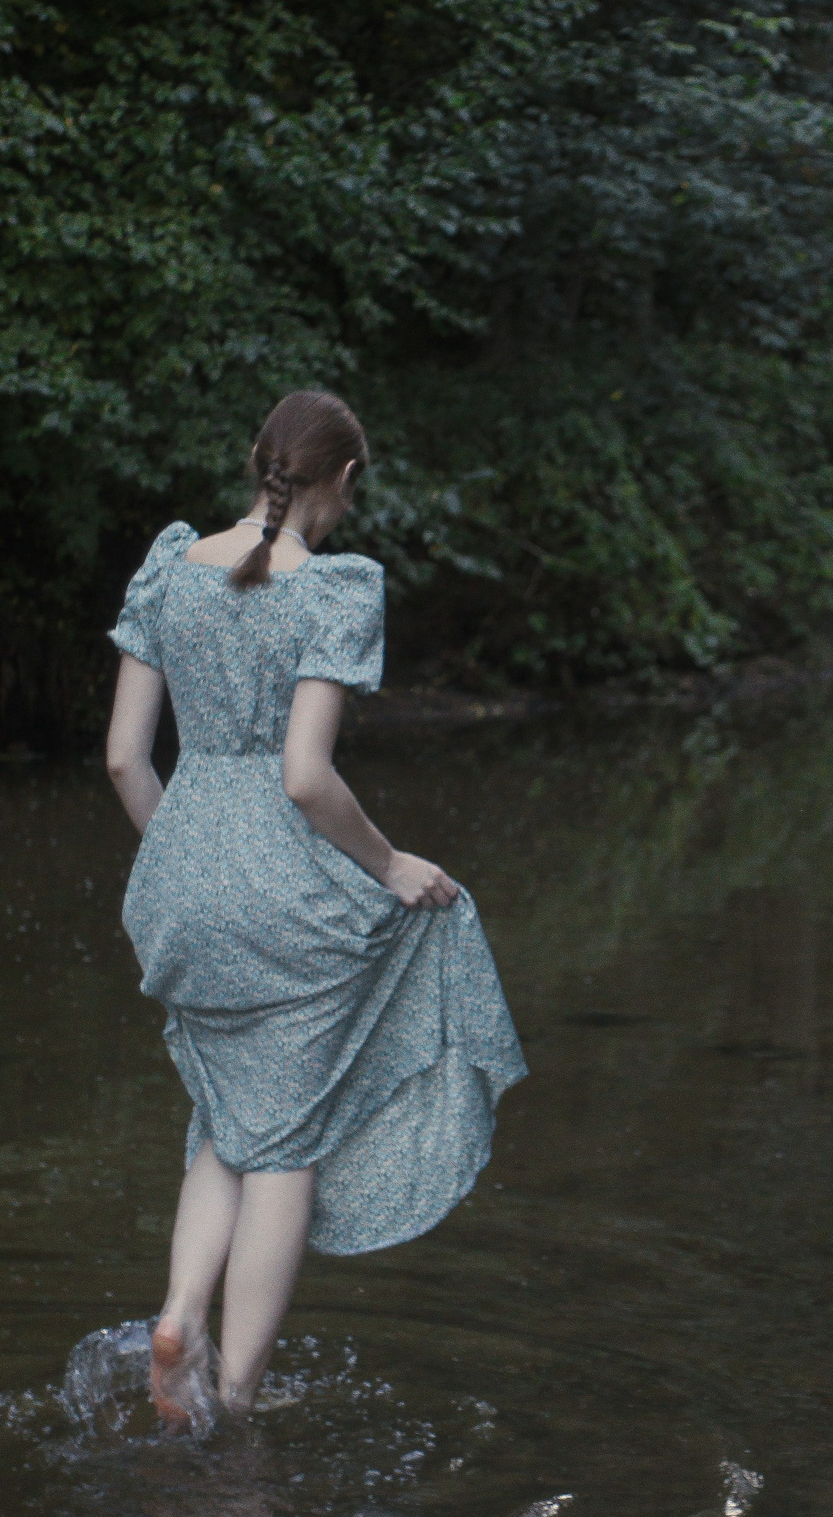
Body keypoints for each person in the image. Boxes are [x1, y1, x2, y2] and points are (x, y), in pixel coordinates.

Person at [101, 389, 527, 1426]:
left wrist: (189, 864)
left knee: (225, 1121)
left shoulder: (169, 567)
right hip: (284, 893)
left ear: (258, 463)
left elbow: (121, 758)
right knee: (284, 1144)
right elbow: (303, 777)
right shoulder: (333, 590)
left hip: (176, 877)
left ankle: (178, 1318)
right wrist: (387, 866)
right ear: (341, 480)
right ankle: (235, 1394)